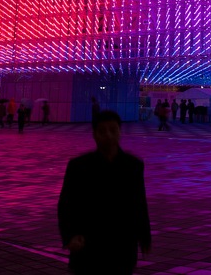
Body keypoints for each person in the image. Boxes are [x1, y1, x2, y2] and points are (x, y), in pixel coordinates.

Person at [58, 110, 151, 275]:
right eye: (102, 131)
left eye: (113, 130)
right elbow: (66, 204)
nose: (108, 136)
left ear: (120, 132)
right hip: (88, 244)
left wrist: (144, 236)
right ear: (94, 134)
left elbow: (139, 202)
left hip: (122, 244)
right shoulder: (79, 166)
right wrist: (70, 235)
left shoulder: (133, 165)